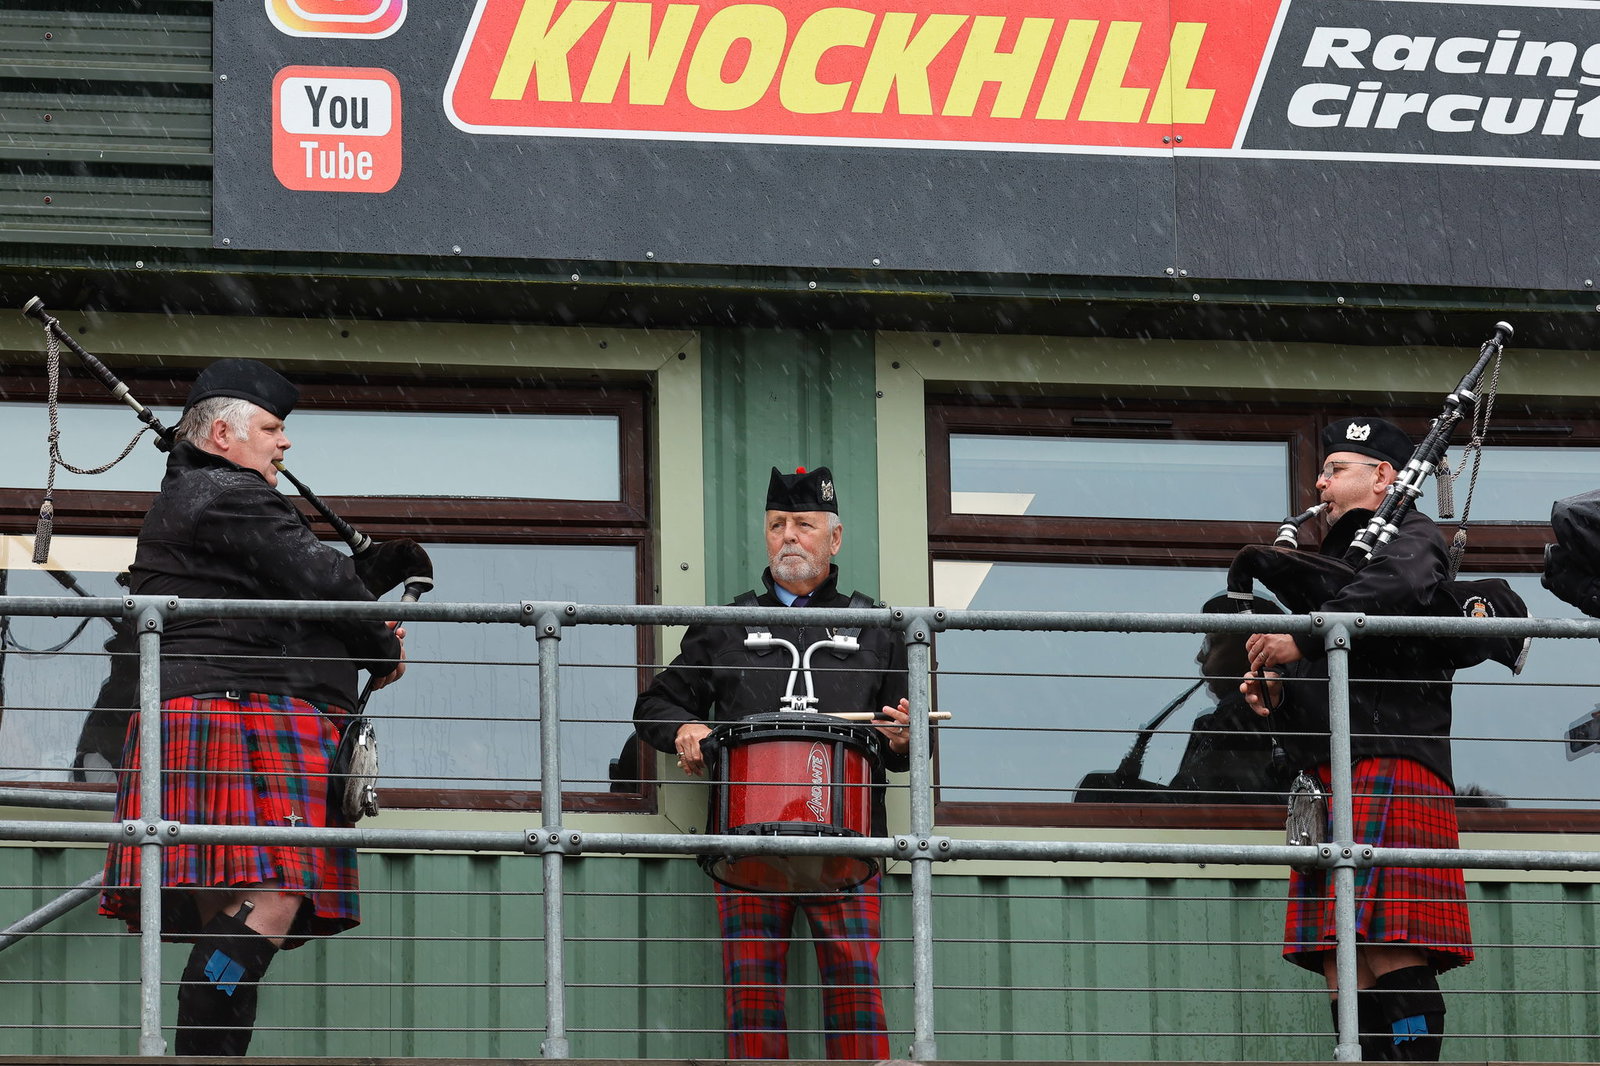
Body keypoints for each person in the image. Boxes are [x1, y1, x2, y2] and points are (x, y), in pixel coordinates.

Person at [97, 359, 406, 1056]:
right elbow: (320, 579)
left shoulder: (204, 493)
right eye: (271, 428)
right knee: (274, 896)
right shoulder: (229, 492)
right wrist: (380, 638)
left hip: (218, 707)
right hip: (235, 712)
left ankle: (208, 1056)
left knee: (230, 905)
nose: (284, 443)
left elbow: (301, 584)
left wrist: (368, 585)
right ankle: (205, 1055)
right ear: (224, 435)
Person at [634, 465, 913, 1060]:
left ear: (833, 539)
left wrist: (903, 738)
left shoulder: (879, 629)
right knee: (752, 995)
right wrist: (684, 726)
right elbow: (654, 704)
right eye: (777, 524)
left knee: (857, 990)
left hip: (850, 840)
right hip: (747, 842)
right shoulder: (726, 626)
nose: (789, 536)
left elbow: (912, 746)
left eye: (804, 524)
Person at [1240, 417, 1472, 1062]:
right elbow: (1330, 680)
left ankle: (1411, 1060)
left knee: (1388, 941)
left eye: (1337, 466)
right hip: (1335, 771)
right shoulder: (1340, 564)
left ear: (1384, 477)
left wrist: (1307, 637)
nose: (1321, 480)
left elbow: (1398, 592)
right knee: (1344, 953)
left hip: (1391, 761)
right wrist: (1279, 688)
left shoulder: (1413, 539)